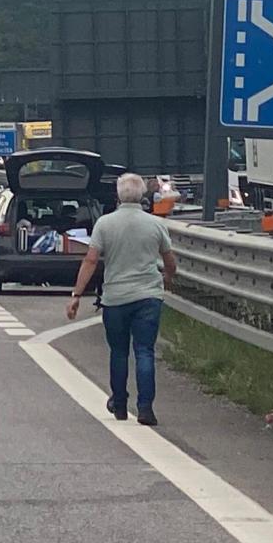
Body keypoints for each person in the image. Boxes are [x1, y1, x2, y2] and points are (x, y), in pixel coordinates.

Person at [67, 172, 177, 426]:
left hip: (115, 297)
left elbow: (91, 260)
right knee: (145, 351)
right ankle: (146, 407)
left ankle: (119, 403)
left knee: (118, 352)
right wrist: (168, 277)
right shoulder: (156, 224)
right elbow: (170, 260)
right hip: (148, 295)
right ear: (142, 196)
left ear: (118, 195)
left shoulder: (105, 224)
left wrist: (76, 295)